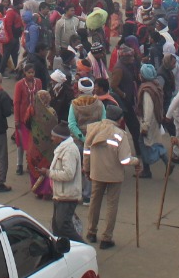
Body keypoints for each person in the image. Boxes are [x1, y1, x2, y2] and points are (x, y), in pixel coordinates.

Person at [83, 104, 134, 249]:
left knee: (94, 202)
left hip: (97, 172)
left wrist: (86, 168)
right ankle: (107, 238)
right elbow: (125, 160)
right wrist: (136, 162)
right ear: (119, 119)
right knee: (112, 205)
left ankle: (91, 232)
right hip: (114, 175)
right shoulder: (120, 134)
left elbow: (86, 151)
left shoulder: (93, 129)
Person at [47, 123, 84, 242]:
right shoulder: (62, 149)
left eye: (53, 136)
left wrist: (49, 173)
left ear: (60, 138)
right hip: (60, 194)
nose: (51, 138)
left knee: (64, 227)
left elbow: (68, 174)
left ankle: (83, 247)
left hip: (67, 195)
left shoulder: (69, 151)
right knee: (57, 227)